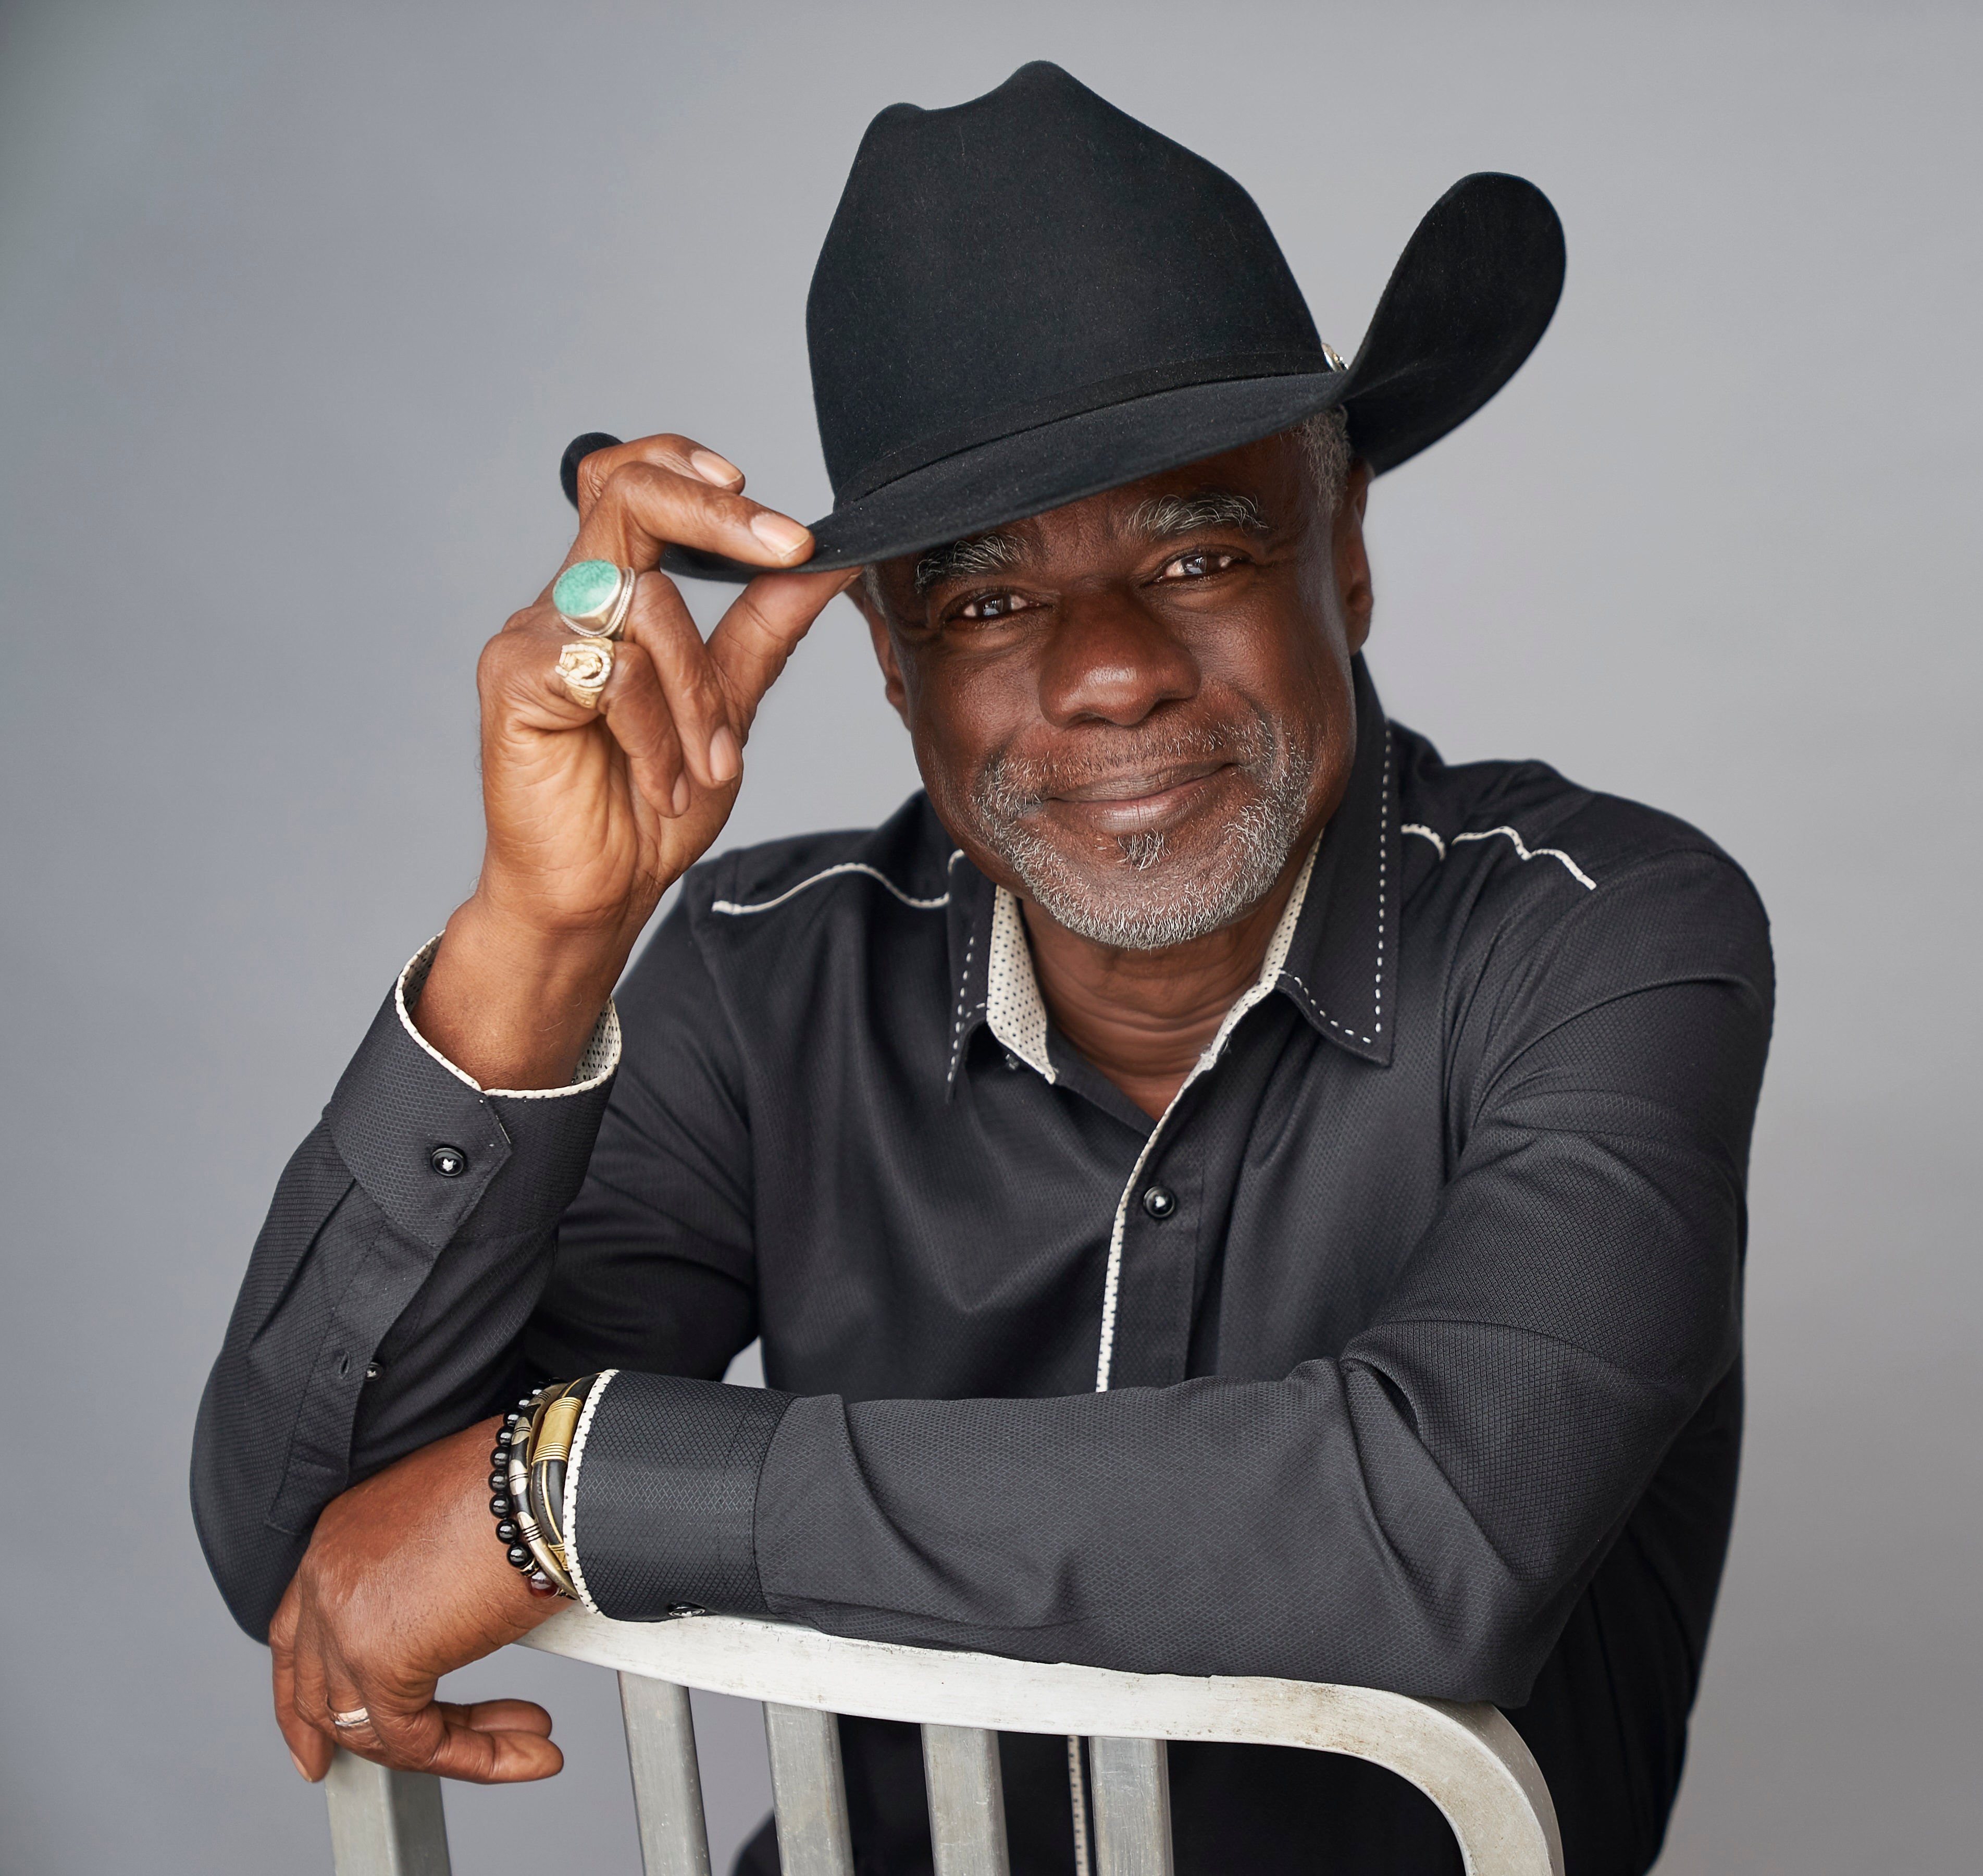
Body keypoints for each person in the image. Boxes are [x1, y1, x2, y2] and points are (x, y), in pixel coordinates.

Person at [192, 60, 1771, 1876]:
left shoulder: (1608, 930)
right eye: (990, 601)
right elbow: (314, 1549)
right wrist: (542, 938)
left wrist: (576, 1489)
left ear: (1341, 554)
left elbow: (1441, 1527)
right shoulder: (764, 983)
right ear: (890, 663)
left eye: (1198, 547)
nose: (1107, 676)